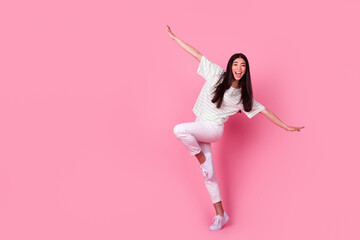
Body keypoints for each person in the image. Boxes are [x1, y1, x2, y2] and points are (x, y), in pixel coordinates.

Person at [166, 25, 304, 231]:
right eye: (236, 64)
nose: (239, 68)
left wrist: (286, 126)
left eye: (243, 65)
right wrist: (175, 37)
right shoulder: (216, 75)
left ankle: (201, 160)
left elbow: (265, 111)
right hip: (199, 124)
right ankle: (221, 215)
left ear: (246, 70)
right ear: (230, 66)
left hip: (213, 129)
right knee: (209, 176)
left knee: (179, 130)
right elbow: (197, 54)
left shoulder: (243, 98)